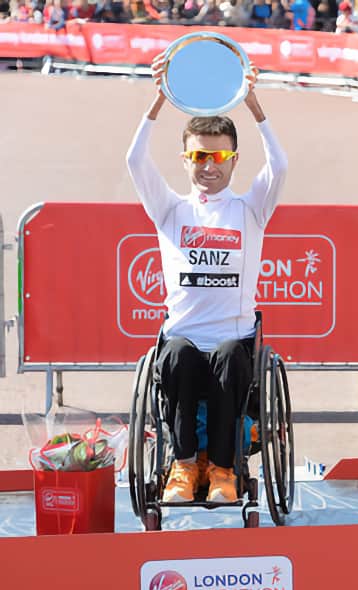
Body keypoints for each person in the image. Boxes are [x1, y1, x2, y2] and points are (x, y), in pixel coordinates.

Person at [125, 56, 288, 504]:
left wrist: (254, 106)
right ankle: (182, 467)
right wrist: (161, 97)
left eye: (217, 156)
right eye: (198, 156)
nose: (208, 166)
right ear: (186, 159)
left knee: (234, 358)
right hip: (183, 337)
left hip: (231, 338)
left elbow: (280, 165)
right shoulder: (171, 209)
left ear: (233, 160)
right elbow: (135, 160)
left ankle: (222, 470)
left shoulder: (250, 208)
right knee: (174, 357)